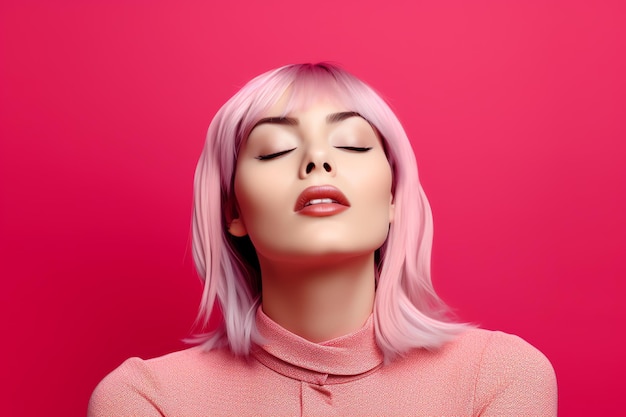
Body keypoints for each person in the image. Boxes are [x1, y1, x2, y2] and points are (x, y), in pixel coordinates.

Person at [88, 63, 557, 416]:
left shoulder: (499, 377)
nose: (317, 161)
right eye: (275, 150)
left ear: (394, 196)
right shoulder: (146, 399)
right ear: (233, 211)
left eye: (351, 143)